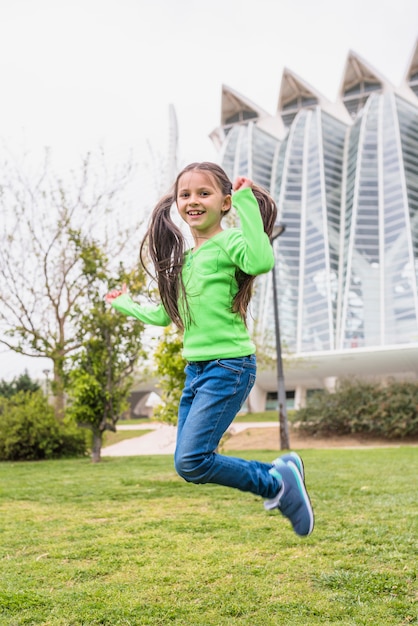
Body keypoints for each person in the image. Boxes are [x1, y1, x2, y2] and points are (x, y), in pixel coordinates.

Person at [106, 162, 314, 536]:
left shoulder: (231, 242)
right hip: (197, 371)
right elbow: (164, 314)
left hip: (228, 366)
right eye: (185, 195)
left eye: (204, 193)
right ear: (177, 203)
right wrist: (124, 303)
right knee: (189, 465)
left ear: (225, 203)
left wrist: (248, 202)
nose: (193, 201)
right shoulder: (183, 261)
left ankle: (276, 482)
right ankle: (277, 479)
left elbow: (261, 259)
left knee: (192, 460)